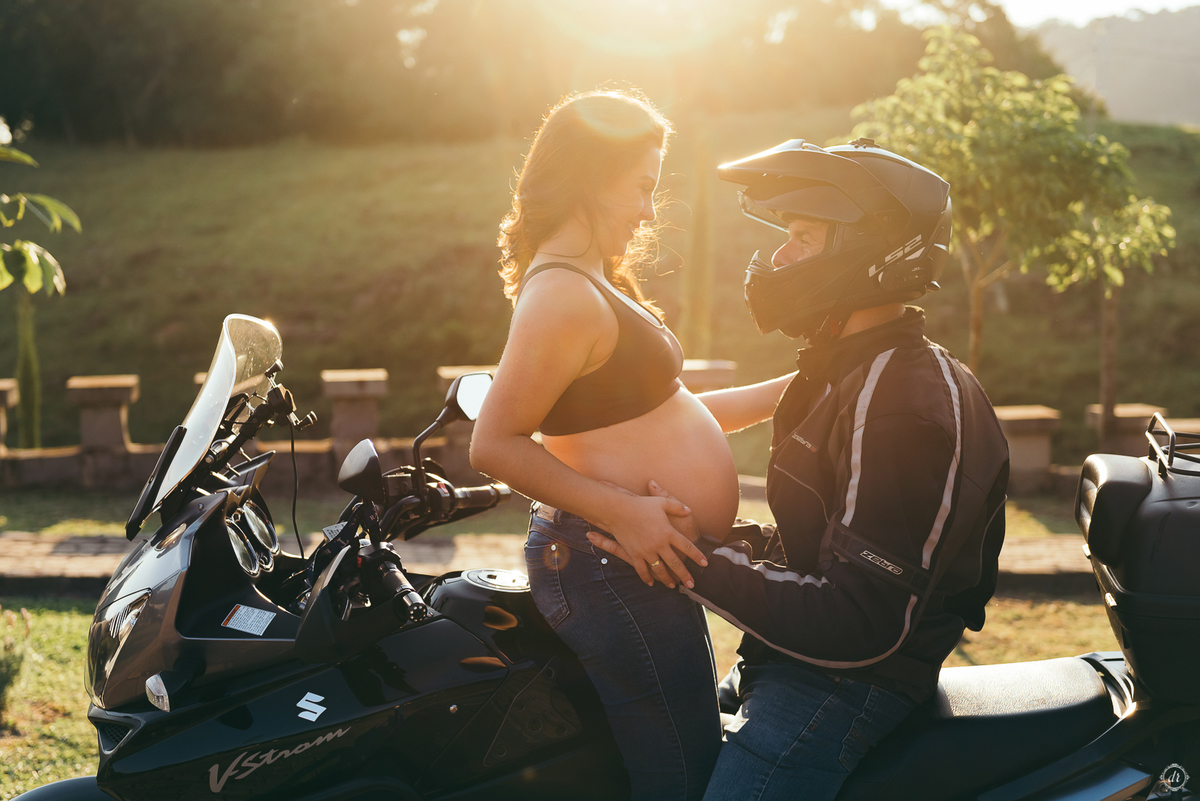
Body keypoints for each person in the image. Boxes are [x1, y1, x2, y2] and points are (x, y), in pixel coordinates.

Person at [588, 137, 1010, 801]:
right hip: (791, 659)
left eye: (804, 237)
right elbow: (820, 543)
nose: (780, 256)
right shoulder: (842, 371)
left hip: (846, 680)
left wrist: (685, 556)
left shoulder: (902, 400)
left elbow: (864, 618)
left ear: (869, 250)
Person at [468, 90, 795, 800]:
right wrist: (624, 510)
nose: (650, 210)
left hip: (638, 565)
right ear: (589, 175)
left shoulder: (589, 284)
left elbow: (666, 416)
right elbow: (494, 442)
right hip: (611, 564)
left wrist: (792, 391)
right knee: (684, 779)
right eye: (642, 186)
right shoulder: (562, 294)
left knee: (681, 760)